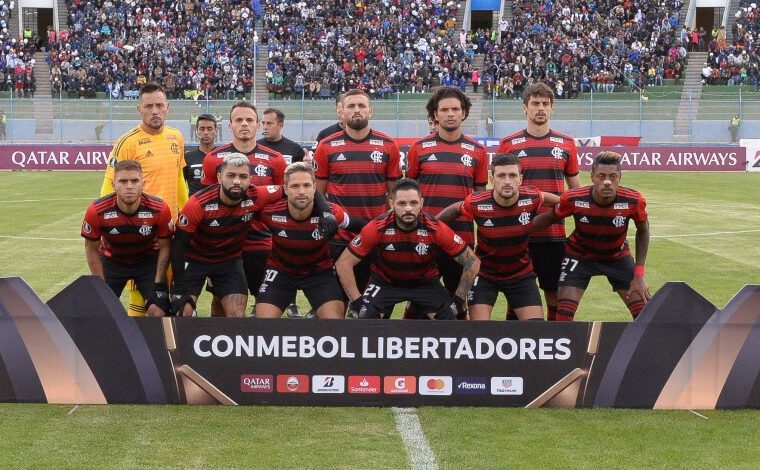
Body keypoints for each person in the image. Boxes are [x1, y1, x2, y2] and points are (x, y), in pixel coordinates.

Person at [336, 178, 480, 320]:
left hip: (424, 283)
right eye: (402, 203)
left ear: (421, 203)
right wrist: (356, 302)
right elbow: (343, 263)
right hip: (385, 282)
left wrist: (458, 300)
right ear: (391, 203)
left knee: (449, 323)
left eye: (413, 203)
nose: (408, 208)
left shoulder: (436, 228)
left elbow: (472, 262)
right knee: (364, 320)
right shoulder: (377, 227)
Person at [101, 82, 187, 316]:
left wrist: (184, 216)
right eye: (148, 106)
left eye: (159, 105)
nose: (155, 111)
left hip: (170, 231)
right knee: (144, 292)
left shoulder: (176, 137)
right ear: (139, 109)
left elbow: (178, 177)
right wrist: (110, 228)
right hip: (140, 231)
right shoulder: (127, 142)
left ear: (168, 107)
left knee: (166, 291)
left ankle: (167, 347)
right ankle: (140, 348)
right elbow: (109, 187)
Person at [531, 151, 651, 321]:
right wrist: (518, 229)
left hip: (617, 258)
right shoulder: (574, 198)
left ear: (620, 177)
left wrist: (639, 274)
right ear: (592, 176)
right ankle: (560, 344)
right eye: (601, 176)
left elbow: (644, 230)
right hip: (579, 257)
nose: (607, 182)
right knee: (563, 314)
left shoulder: (634, 200)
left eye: (613, 176)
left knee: (645, 315)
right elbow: (549, 217)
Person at [437, 153, 559, 320]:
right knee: (479, 335)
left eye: (512, 175)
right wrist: (431, 227)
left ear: (520, 179)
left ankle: (513, 313)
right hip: (484, 275)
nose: (507, 181)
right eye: (501, 175)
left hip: (521, 275)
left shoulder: (532, 196)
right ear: (491, 178)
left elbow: (563, 203)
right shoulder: (476, 202)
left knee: (535, 331)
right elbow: (454, 210)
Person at [497, 82, 580, 321]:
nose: (540, 108)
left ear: (552, 108)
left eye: (545, 104)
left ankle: (553, 346)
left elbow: (574, 192)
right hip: (519, 233)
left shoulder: (566, 144)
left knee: (554, 293)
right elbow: (500, 189)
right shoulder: (509, 144)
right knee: (516, 296)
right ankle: (516, 349)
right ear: (525, 108)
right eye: (535, 103)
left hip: (553, 234)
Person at [314, 89, 402, 310]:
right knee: (337, 306)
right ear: (341, 113)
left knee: (375, 307)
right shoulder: (326, 146)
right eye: (351, 106)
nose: (356, 110)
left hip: (376, 236)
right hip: (339, 238)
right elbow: (319, 193)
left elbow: (395, 195)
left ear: (370, 111)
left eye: (361, 106)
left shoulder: (388, 145)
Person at [406, 87, 488, 317]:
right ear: (435, 115)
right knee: (416, 304)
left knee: (458, 305)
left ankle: (459, 352)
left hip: (462, 238)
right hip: (424, 236)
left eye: (455, 109)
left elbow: (480, 198)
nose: (450, 114)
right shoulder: (418, 148)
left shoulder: (478, 151)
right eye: (444, 109)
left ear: (464, 113)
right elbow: (408, 196)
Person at [170, 154, 286, 317]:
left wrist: (325, 212)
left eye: (243, 176)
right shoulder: (198, 203)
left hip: (228, 261)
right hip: (194, 260)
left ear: (250, 179)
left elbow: (293, 188)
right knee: (181, 312)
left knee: (237, 316)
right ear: (219, 177)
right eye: (231, 175)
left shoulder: (257, 195)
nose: (237, 181)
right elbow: (178, 246)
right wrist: (179, 289)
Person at [200, 102, 287, 313]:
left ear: (258, 125)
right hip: (224, 245)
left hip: (262, 243)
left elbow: (281, 203)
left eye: (249, 120)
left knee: (265, 304)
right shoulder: (213, 160)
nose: (244, 124)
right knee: (220, 304)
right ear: (230, 126)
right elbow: (206, 201)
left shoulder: (275, 160)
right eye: (239, 120)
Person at [255, 162, 366, 319]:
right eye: (295, 186)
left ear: (314, 187)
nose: (301, 191)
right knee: (263, 324)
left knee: (334, 323)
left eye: (307, 185)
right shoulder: (269, 211)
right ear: (285, 189)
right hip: (280, 271)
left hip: (319, 272)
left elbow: (360, 226)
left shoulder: (331, 213)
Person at [82, 160, 173, 317]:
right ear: (114, 185)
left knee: (158, 312)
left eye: (135, 181)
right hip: (112, 262)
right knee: (100, 311)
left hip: (147, 262)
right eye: (123, 181)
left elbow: (166, 246)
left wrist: (158, 282)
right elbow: (91, 248)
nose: (129, 186)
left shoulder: (160, 209)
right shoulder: (97, 210)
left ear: (143, 184)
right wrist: (100, 284)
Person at [184, 114, 218, 195]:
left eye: (210, 129)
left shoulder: (223, 157)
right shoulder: (187, 157)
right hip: (195, 206)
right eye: (202, 129)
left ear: (216, 131)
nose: (206, 132)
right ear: (197, 131)